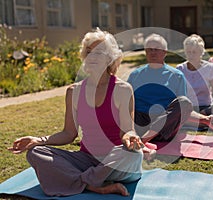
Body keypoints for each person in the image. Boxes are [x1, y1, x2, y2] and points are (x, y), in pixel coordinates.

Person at [8, 29, 144, 197]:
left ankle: (82, 181)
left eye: (99, 52)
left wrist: (130, 137)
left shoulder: (122, 89)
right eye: (89, 52)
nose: (92, 56)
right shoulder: (74, 91)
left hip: (117, 162)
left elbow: (126, 131)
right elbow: (69, 133)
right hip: (86, 161)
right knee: (36, 152)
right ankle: (95, 184)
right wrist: (38, 140)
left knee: (132, 153)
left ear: (110, 58)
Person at [127, 33, 213, 143]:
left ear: (165, 52)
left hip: (165, 128)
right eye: (149, 49)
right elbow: (126, 105)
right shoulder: (135, 75)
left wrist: (206, 119)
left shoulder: (176, 76)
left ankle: (143, 140)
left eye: (156, 49)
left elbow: (184, 109)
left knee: (184, 102)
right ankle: (143, 139)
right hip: (140, 124)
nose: (152, 52)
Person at [176, 34, 213, 117]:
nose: (191, 55)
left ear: (201, 52)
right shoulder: (180, 69)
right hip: (187, 108)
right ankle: (199, 118)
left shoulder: (210, 68)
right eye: (189, 52)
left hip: (206, 107)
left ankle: (198, 117)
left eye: (194, 52)